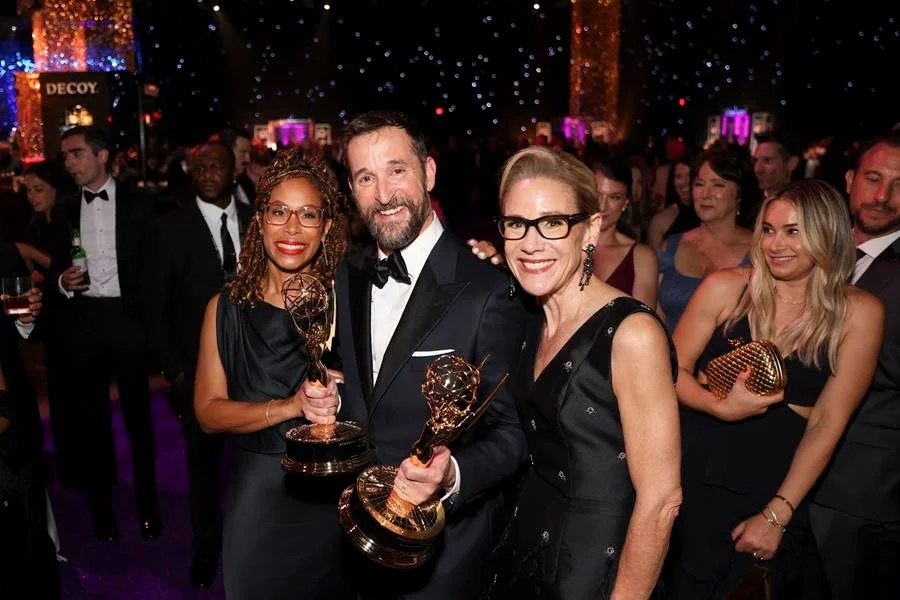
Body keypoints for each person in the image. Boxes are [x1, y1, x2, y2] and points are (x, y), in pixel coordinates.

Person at [304, 110, 530, 600]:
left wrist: (452, 474)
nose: (383, 195)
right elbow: (371, 395)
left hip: (447, 555)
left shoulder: (488, 290)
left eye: (397, 170)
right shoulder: (347, 274)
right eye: (366, 177)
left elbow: (513, 436)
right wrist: (327, 403)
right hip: (359, 537)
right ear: (351, 187)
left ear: (428, 172)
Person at [665, 179, 884, 598]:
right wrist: (719, 407)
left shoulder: (858, 312)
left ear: (827, 234)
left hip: (773, 487)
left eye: (794, 231)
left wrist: (778, 514)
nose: (775, 244)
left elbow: (827, 421)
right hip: (693, 474)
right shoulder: (727, 288)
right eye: (768, 229)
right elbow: (671, 371)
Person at [481, 145, 681, 599]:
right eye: (516, 225)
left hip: (597, 570)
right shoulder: (533, 319)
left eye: (553, 223)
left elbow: (662, 500)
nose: (531, 244)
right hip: (525, 551)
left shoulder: (632, 334)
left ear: (590, 230)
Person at [193, 147, 356, 600]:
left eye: (308, 215)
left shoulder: (347, 304)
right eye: (279, 211)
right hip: (259, 497)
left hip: (331, 496)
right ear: (259, 218)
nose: (291, 229)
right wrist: (290, 406)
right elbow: (208, 413)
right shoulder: (224, 310)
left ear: (326, 227)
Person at [143, 141, 253, 589]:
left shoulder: (258, 221)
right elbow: (152, 310)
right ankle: (206, 551)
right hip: (196, 374)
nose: (207, 172)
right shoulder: (169, 229)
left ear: (234, 170)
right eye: (199, 166)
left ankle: (253, 545)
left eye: (216, 165)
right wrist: (176, 373)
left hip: (257, 371)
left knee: (254, 470)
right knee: (203, 470)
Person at [56, 125, 161, 542]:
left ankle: (149, 506)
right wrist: (63, 283)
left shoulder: (143, 203)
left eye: (76, 153)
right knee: (91, 422)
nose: (68, 162)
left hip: (128, 320)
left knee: (139, 421)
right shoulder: (63, 209)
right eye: (64, 156)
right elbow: (52, 271)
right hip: (85, 322)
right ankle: (102, 510)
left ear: (102, 156)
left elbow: (160, 263)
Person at [810, 130, 900, 599]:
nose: (883, 195)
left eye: (899, 184)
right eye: (873, 178)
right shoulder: (810, 246)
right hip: (782, 472)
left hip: (861, 493)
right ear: (849, 179)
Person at [657, 147, 754, 332]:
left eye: (718, 185)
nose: (705, 194)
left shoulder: (759, 250)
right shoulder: (671, 246)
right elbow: (655, 319)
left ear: (739, 194)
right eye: (699, 184)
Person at [588, 155, 659, 307]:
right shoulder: (564, 245)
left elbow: (645, 325)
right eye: (597, 195)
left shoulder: (641, 258)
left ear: (626, 202)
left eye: (614, 197)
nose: (602, 206)